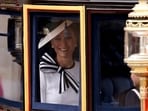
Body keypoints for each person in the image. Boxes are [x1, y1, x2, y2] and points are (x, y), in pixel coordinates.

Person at [38, 19, 80, 106]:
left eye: (68, 38)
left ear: (76, 42)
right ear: (52, 43)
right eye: (57, 38)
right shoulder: (44, 70)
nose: (63, 44)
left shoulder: (83, 69)